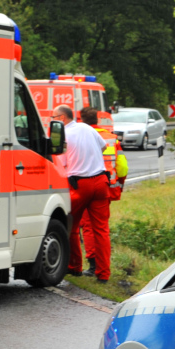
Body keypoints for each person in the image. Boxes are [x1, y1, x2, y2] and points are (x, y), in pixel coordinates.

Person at [52, 104, 112, 283]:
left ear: (62, 118)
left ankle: (75, 266)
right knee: (101, 230)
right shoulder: (87, 128)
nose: (52, 121)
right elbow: (103, 147)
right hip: (101, 182)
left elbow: (60, 164)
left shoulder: (63, 135)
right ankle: (103, 274)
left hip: (79, 185)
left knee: (71, 226)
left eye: (53, 118)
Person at [79, 106, 127, 276]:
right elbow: (123, 167)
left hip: (85, 184)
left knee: (87, 226)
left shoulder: (80, 136)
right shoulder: (112, 139)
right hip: (106, 186)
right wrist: (119, 185)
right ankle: (103, 269)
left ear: (81, 120)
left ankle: (92, 265)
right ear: (97, 119)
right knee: (101, 228)